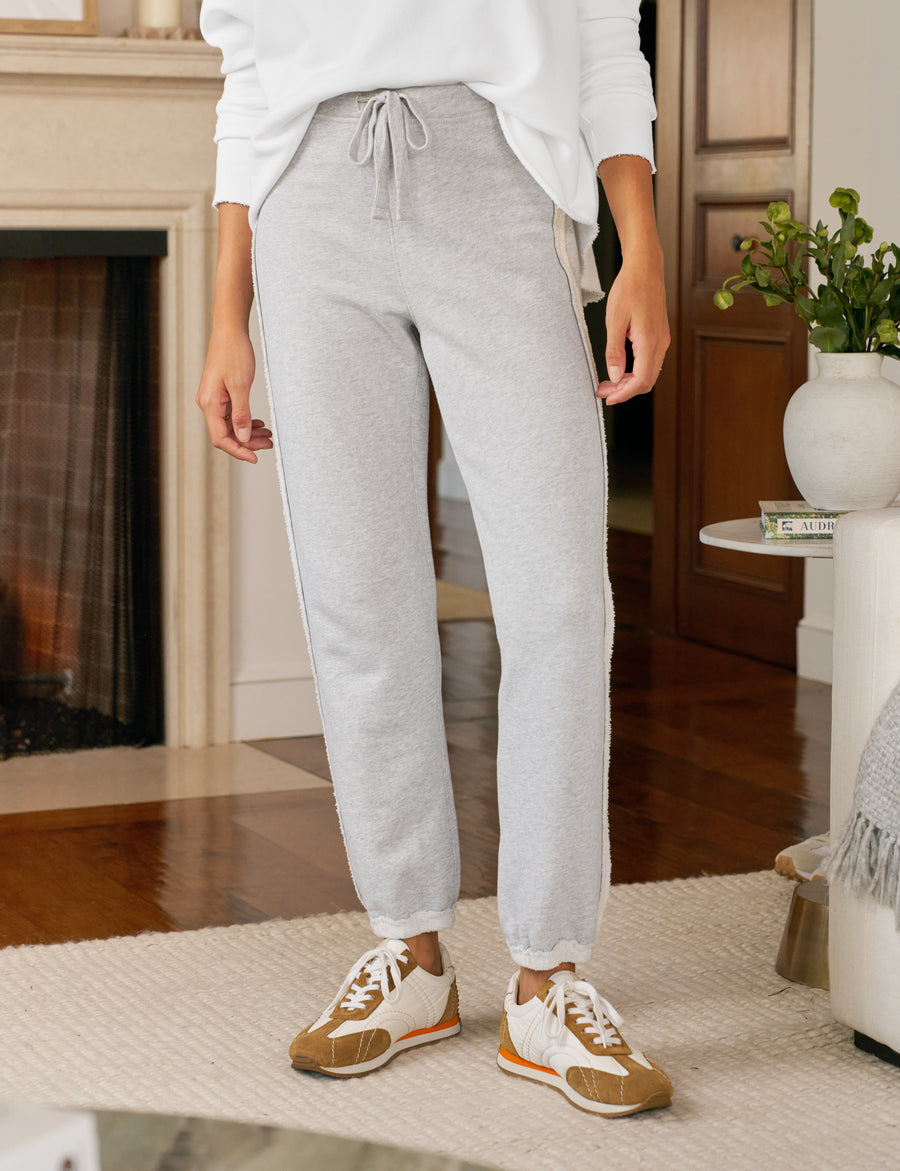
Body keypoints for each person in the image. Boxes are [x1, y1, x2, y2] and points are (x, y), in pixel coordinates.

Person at [197, 0, 672, 1118]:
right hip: (310, 202)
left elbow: (605, 33)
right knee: (358, 600)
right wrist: (227, 311)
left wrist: (638, 246)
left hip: (499, 179)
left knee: (560, 601)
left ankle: (549, 977)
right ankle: (410, 954)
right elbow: (249, 75)